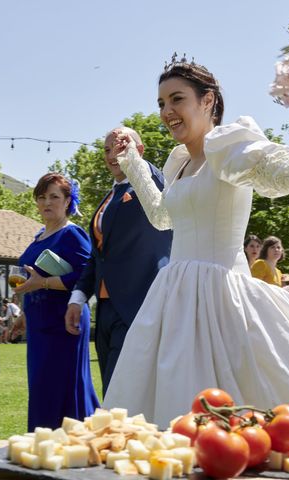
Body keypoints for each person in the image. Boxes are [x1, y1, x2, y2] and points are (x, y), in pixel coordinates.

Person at [92, 57, 289, 428]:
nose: (167, 111)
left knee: (252, 409)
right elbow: (164, 218)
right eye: (161, 103)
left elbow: (273, 171)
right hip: (173, 296)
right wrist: (134, 163)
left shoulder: (226, 146)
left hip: (221, 295)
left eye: (177, 99)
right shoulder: (177, 161)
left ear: (207, 101)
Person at [65, 127, 172, 395]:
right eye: (107, 149)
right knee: (110, 387)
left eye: (122, 146)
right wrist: (77, 298)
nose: (113, 154)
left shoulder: (151, 187)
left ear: (140, 150)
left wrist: (135, 161)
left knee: (123, 392)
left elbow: (159, 181)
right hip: (106, 308)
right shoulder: (109, 197)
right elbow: (97, 257)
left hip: (139, 304)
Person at [16, 173, 99, 431]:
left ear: (68, 201)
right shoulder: (39, 236)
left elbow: (88, 275)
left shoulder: (72, 234)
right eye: (41, 197)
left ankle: (74, 443)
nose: (46, 202)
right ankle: (43, 441)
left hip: (65, 322)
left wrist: (43, 283)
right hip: (39, 324)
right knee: (41, 385)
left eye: (54, 196)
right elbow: (32, 280)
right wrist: (23, 315)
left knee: (60, 386)